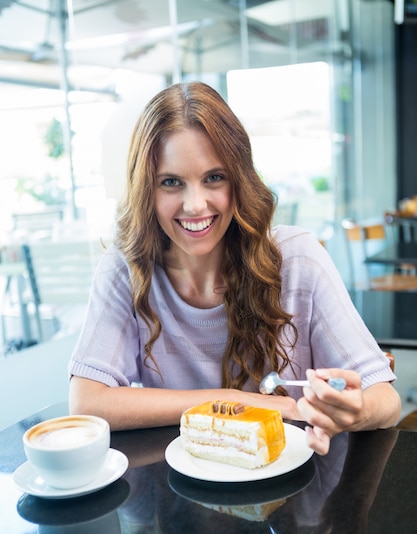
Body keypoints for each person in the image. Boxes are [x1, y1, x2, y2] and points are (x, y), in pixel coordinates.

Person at [68, 81, 401, 455]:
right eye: (171, 182)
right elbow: (86, 402)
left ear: (238, 179)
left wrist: (354, 412)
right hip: (183, 497)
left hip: (295, 493)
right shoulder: (124, 268)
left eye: (214, 177)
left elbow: (385, 399)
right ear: (147, 190)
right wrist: (236, 402)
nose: (195, 205)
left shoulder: (297, 259)